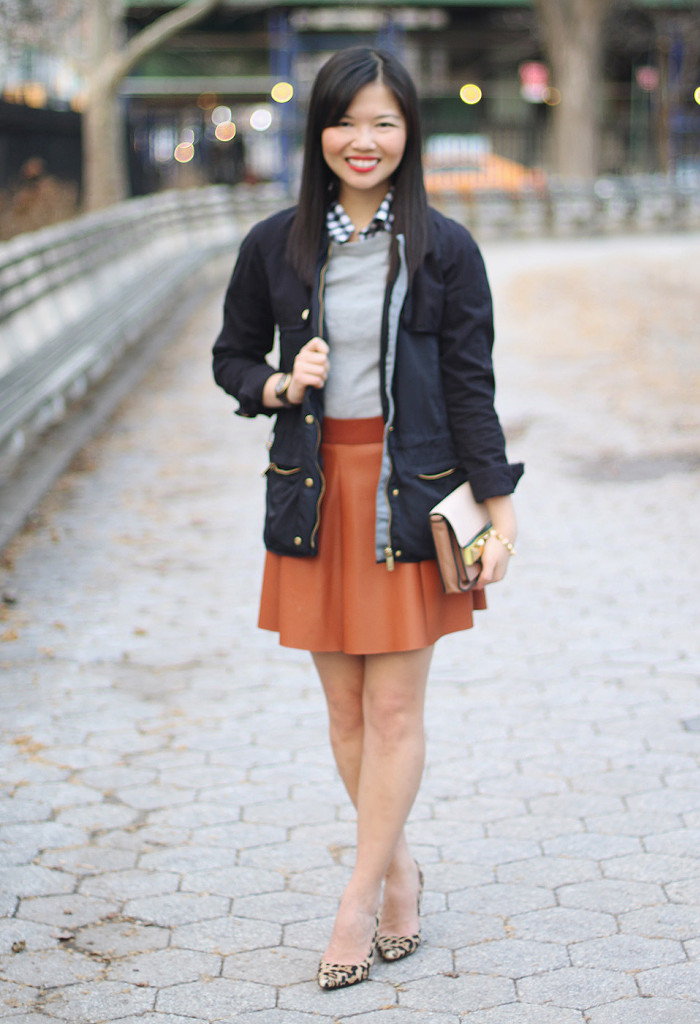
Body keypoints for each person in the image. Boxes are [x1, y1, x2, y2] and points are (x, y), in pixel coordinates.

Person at [212, 46, 523, 990]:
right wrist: (276, 380)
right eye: (347, 121)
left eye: (385, 122)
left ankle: (358, 902)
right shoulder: (275, 245)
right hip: (316, 494)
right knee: (343, 711)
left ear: (408, 134)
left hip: (409, 496)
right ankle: (399, 869)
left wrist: (499, 519)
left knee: (392, 708)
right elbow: (230, 356)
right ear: (319, 132)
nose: (364, 140)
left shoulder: (444, 249)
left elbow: (472, 389)